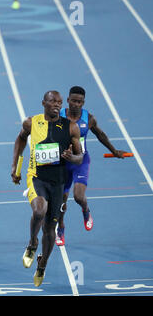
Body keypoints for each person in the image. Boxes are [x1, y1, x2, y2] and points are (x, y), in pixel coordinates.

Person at [11, 90, 83, 287]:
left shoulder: (71, 128)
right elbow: (20, 139)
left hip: (58, 183)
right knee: (39, 210)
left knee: (51, 229)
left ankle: (42, 265)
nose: (57, 105)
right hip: (36, 178)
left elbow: (80, 157)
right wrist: (15, 166)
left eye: (60, 102)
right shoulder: (31, 122)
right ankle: (33, 242)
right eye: (53, 101)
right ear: (44, 103)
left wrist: (71, 158)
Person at [55, 86, 128, 246]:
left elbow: (100, 135)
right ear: (68, 101)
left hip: (81, 161)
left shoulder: (89, 119)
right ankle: (60, 227)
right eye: (73, 101)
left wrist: (114, 151)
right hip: (62, 163)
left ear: (83, 103)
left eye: (79, 102)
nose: (76, 104)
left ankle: (86, 210)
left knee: (79, 197)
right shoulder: (58, 116)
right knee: (62, 200)